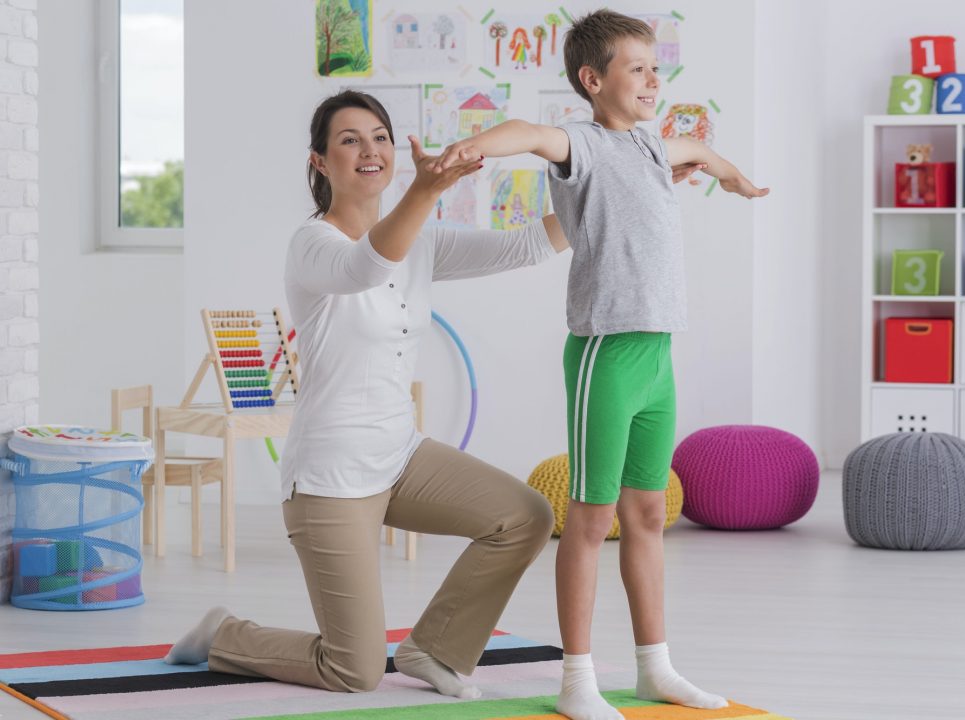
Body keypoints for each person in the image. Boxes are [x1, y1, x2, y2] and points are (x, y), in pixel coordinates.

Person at [163, 89, 704, 699]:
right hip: (329, 477)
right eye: (349, 140)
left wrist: (626, 190)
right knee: (354, 669)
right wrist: (425, 190)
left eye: (380, 138)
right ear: (319, 161)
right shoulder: (312, 245)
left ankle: (434, 649)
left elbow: (526, 245)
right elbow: (366, 266)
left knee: (525, 516)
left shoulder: (421, 240)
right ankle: (224, 634)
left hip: (400, 457)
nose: (370, 150)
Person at [432, 10, 769, 720]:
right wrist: (472, 146)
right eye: (636, 68)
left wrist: (731, 174)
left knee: (646, 511)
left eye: (655, 68)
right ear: (592, 79)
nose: (652, 80)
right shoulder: (579, 145)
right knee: (589, 518)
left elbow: (694, 149)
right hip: (605, 354)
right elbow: (526, 134)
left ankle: (655, 669)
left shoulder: (647, 145)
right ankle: (576, 680)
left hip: (658, 355)